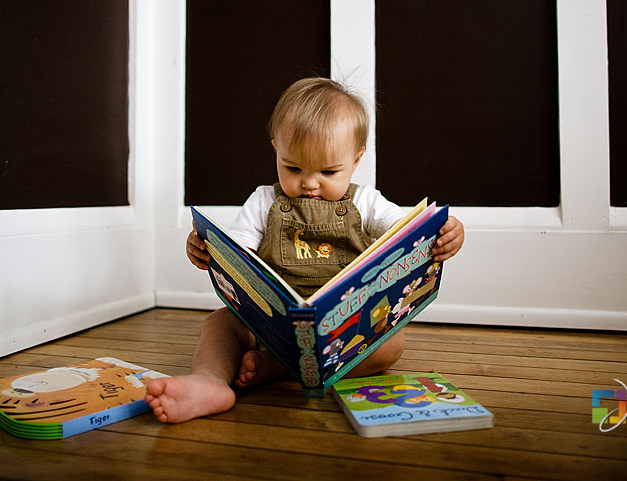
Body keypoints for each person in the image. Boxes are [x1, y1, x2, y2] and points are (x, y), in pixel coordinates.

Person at [145, 78, 464, 423]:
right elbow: (234, 255)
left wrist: (445, 235)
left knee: (392, 343)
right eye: (293, 168)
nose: (310, 183)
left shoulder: (366, 202)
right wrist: (205, 251)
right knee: (219, 324)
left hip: (345, 331)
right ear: (276, 150)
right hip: (269, 326)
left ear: (355, 161)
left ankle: (278, 371)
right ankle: (209, 381)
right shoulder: (263, 201)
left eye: (328, 171)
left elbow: (407, 233)